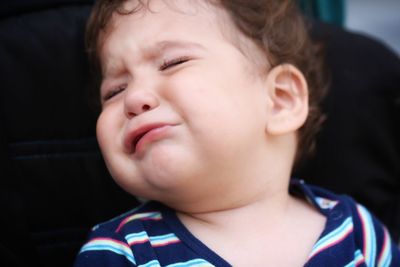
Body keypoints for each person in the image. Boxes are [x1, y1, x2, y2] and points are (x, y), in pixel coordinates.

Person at [74, 0, 400, 266]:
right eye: (114, 90)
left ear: (280, 100)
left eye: (172, 62)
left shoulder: (360, 234)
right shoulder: (120, 253)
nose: (133, 98)